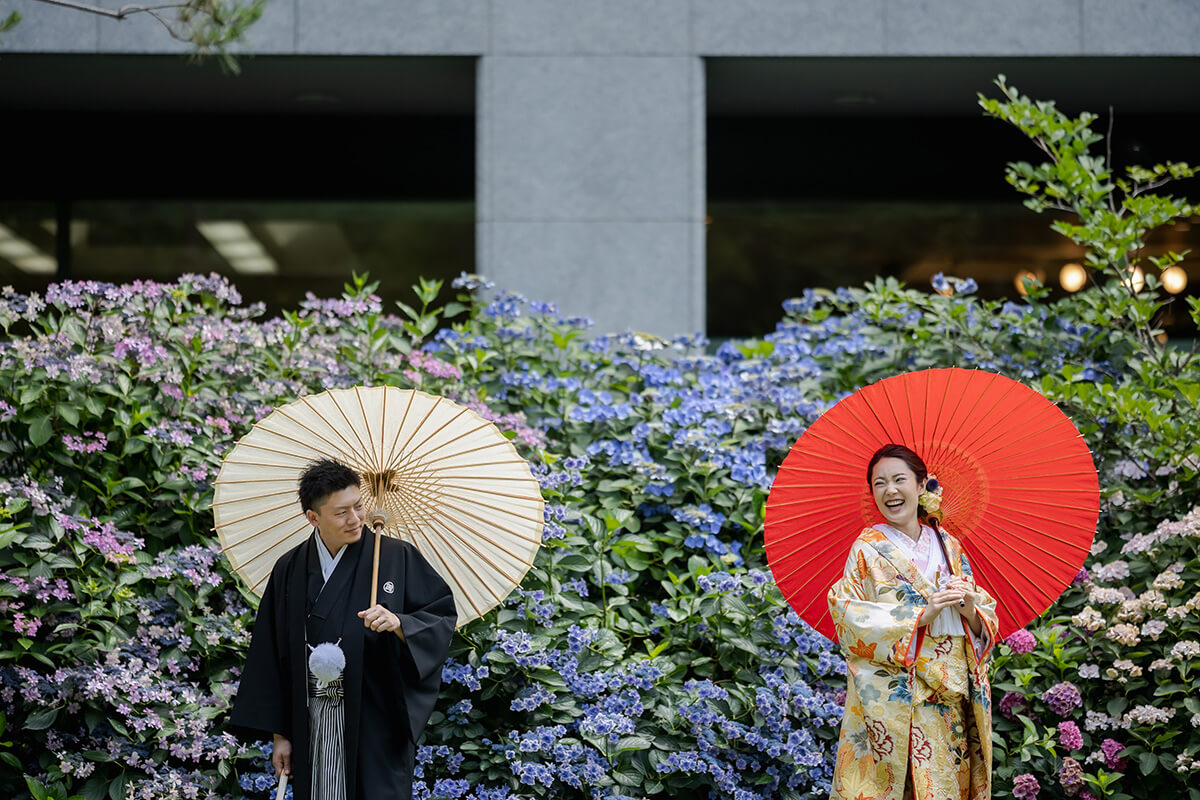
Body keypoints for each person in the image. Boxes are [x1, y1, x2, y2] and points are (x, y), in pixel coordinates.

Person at [230, 459, 457, 800]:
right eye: (341, 512)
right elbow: (271, 652)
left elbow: (440, 616)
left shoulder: (398, 557)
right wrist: (281, 733)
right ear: (313, 517)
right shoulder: (289, 568)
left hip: (377, 719)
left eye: (359, 506)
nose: (356, 519)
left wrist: (400, 624)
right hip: (313, 719)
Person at [827, 444, 998, 800]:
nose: (890, 490)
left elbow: (983, 614)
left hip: (951, 696)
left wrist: (968, 608)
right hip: (900, 700)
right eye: (879, 483)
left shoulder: (949, 545)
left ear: (921, 485)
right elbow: (848, 617)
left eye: (899, 479)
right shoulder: (866, 549)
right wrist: (921, 614)